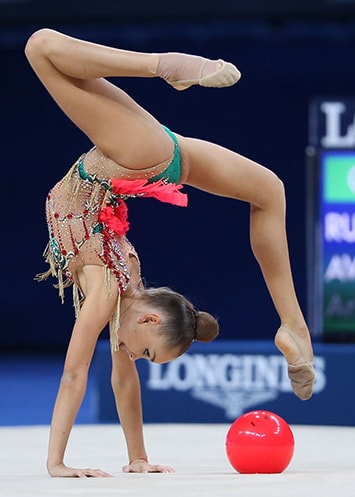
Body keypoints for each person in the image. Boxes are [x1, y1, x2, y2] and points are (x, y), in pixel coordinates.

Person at [24, 28, 315, 478]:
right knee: (39, 47)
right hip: (137, 157)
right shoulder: (107, 292)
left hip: (166, 157)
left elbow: (123, 381)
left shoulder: (124, 298)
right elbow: (73, 374)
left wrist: (137, 458)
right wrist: (56, 463)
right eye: (148, 353)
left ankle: (294, 328)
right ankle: (164, 64)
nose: (135, 358)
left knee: (270, 192)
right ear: (150, 320)